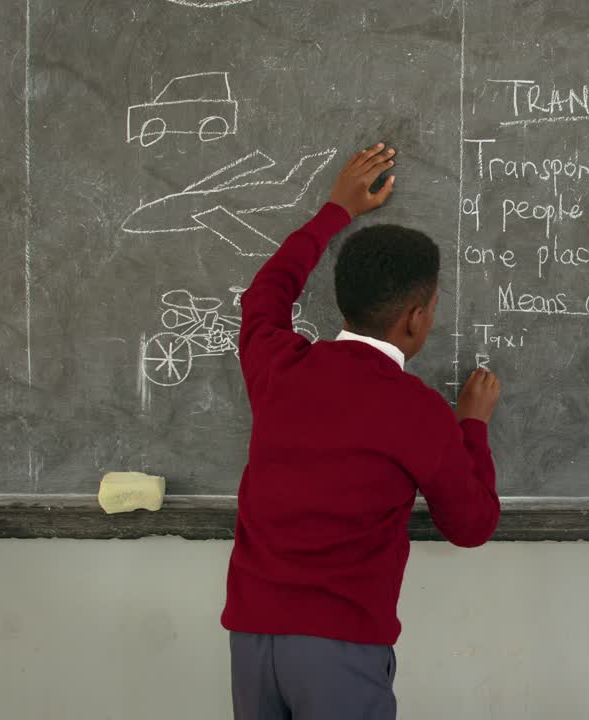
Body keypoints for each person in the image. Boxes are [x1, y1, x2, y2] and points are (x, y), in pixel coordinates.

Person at [222, 143, 502, 720]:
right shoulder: (417, 411)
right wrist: (472, 426)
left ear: (343, 302)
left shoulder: (279, 366)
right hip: (340, 650)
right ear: (417, 319)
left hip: (251, 640)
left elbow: (262, 298)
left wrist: (335, 212)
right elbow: (471, 526)